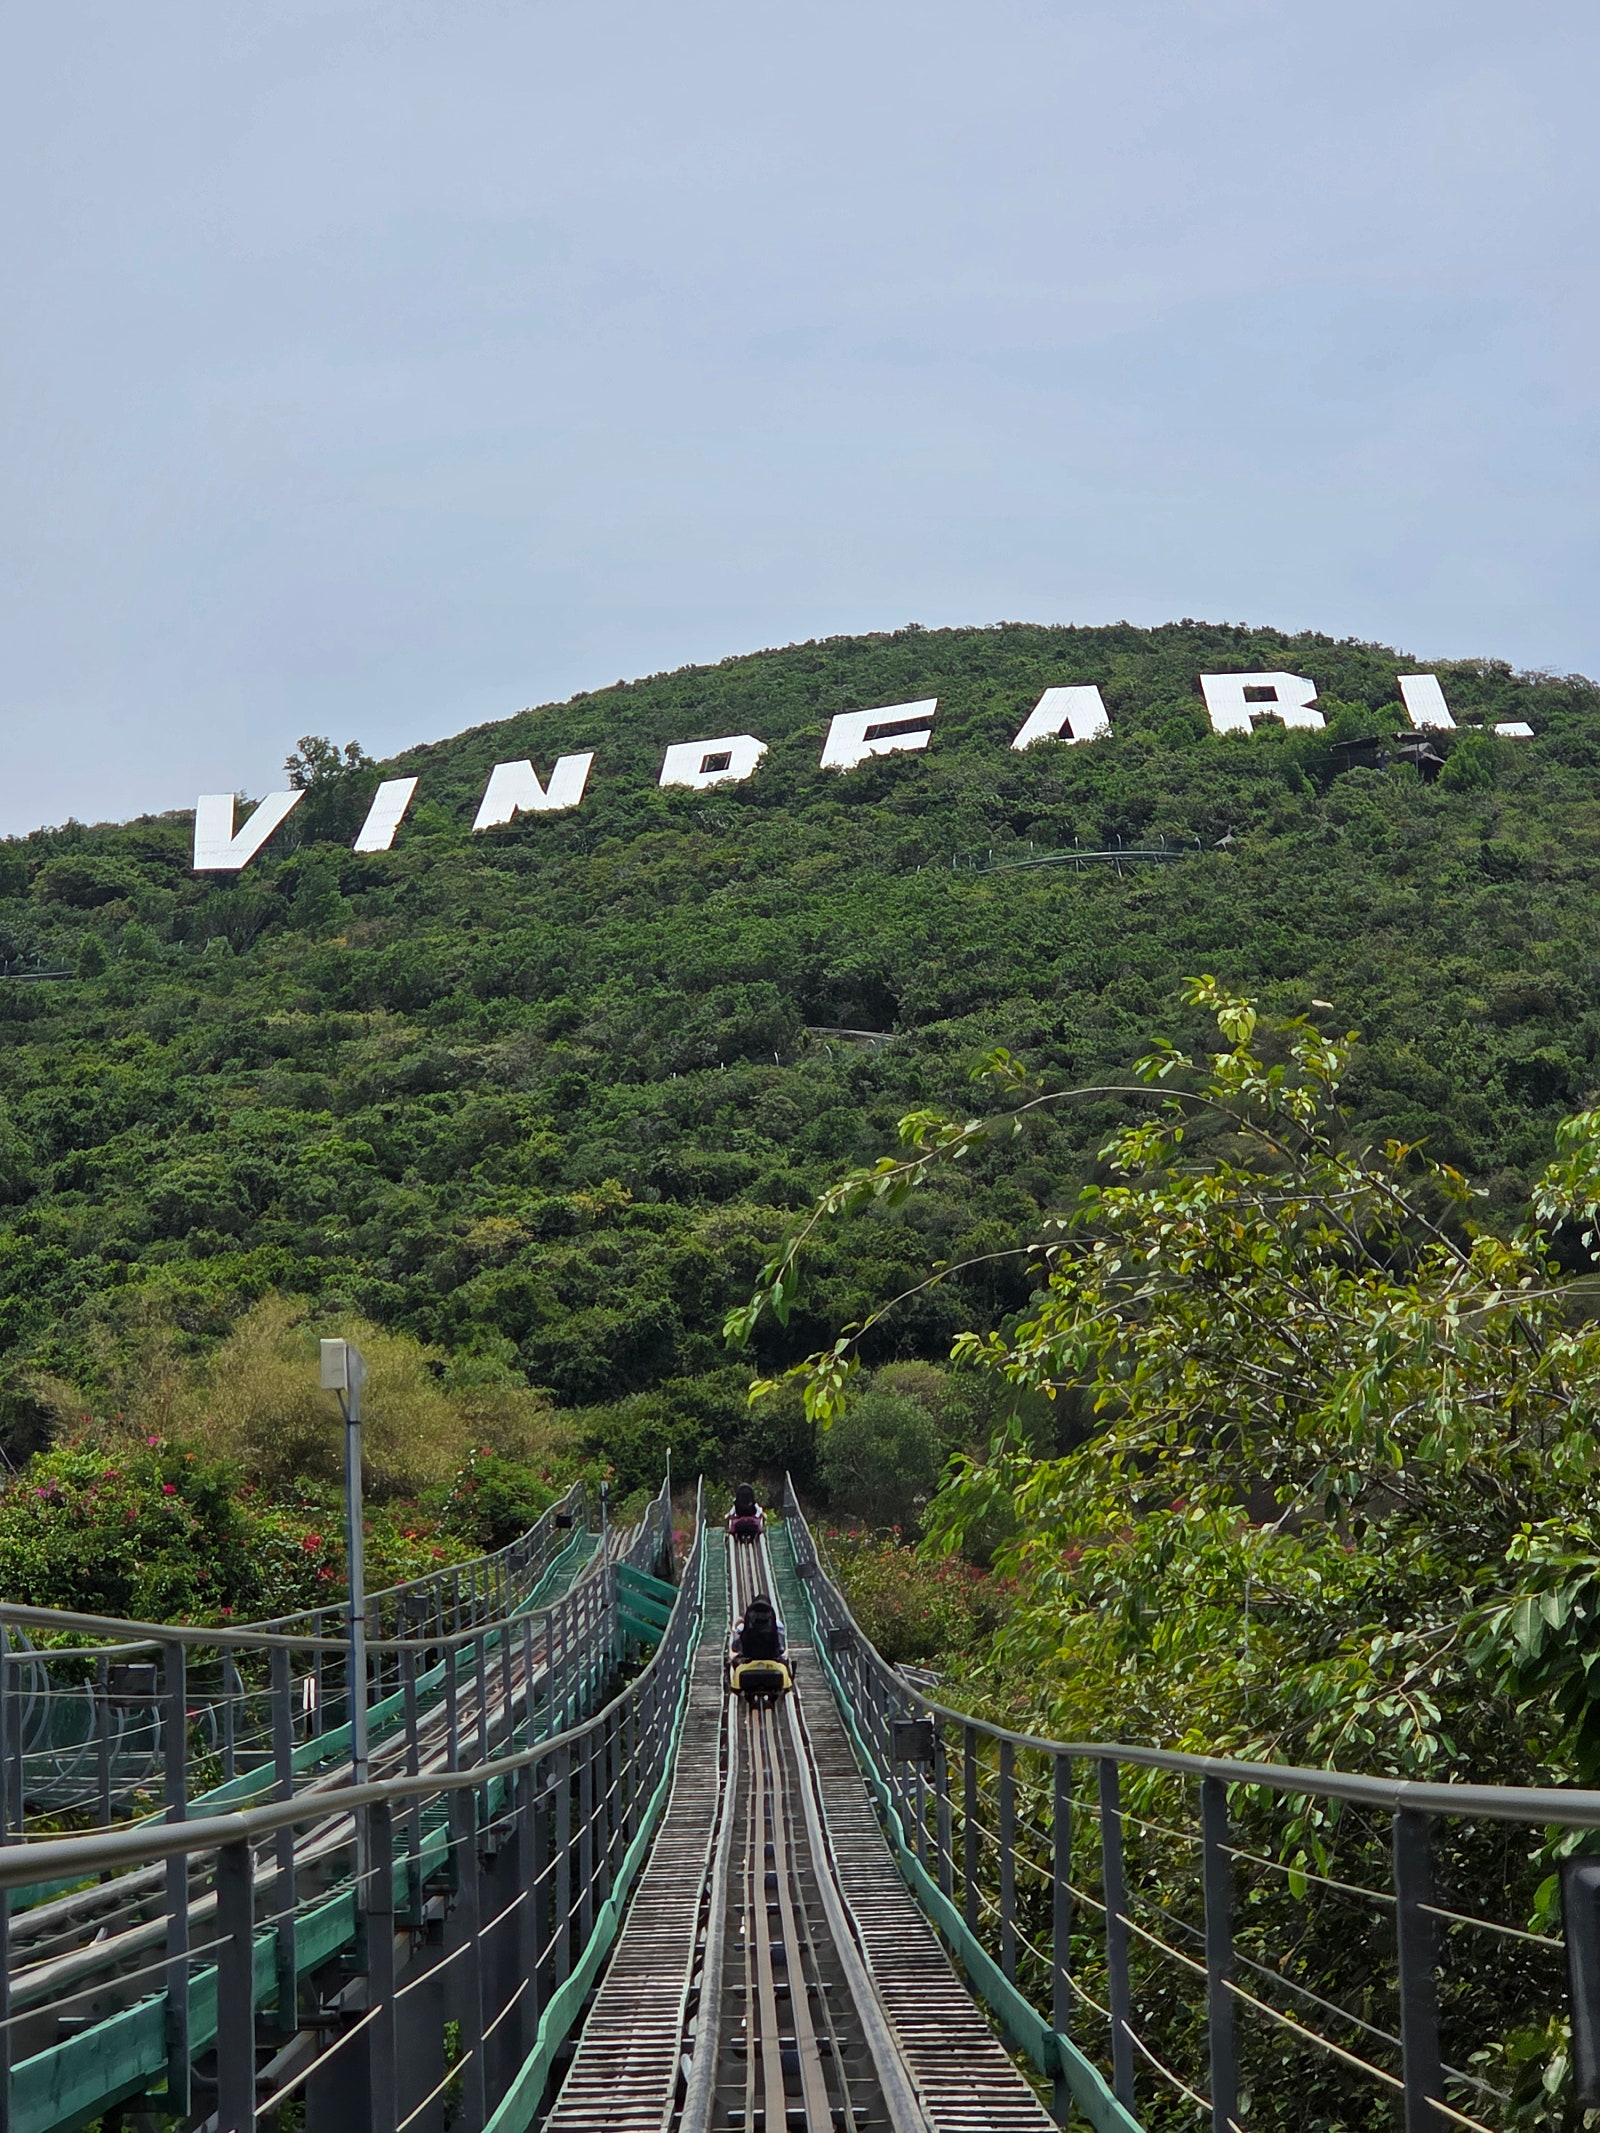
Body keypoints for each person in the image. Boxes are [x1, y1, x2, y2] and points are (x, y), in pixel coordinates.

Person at [731, 1593, 786, 1664]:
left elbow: (735, 1648)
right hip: (772, 1661)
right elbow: (782, 1648)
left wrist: (735, 1626)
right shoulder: (778, 1625)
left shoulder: (743, 1627)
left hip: (748, 1662)